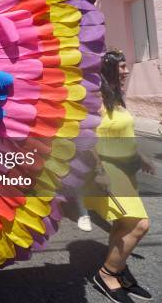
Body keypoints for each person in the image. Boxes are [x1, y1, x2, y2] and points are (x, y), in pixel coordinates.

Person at [86, 50, 156, 303]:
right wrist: (98, 171)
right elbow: (86, 137)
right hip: (105, 173)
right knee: (139, 224)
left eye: (126, 66)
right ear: (106, 69)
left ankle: (120, 269)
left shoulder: (116, 97)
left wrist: (141, 157)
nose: (126, 71)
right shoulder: (94, 98)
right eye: (121, 66)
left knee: (122, 223)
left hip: (123, 173)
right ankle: (107, 274)